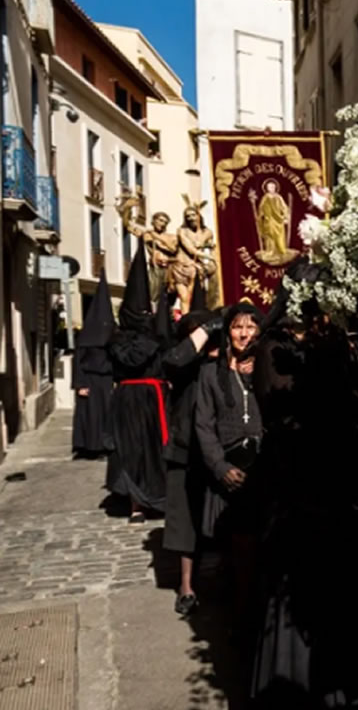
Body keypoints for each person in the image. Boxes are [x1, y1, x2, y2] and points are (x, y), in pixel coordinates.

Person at [250, 262, 358, 707]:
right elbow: (291, 414)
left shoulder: (331, 346)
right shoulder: (274, 349)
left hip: (338, 493)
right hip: (296, 493)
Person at [194, 301, 264, 625]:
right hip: (229, 469)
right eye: (238, 326)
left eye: (251, 326)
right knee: (235, 550)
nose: (244, 333)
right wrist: (220, 467)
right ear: (227, 333)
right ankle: (238, 614)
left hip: (265, 469)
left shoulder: (269, 368)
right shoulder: (210, 374)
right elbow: (204, 426)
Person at [161, 307, 224, 616]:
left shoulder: (226, 361)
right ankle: (186, 586)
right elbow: (173, 360)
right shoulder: (183, 364)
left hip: (220, 452)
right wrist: (208, 326)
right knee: (185, 522)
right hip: (185, 451)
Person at [105, 241, 170, 523]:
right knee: (132, 450)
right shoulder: (120, 339)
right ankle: (136, 503)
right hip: (131, 402)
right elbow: (131, 359)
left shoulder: (153, 333)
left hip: (154, 399)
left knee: (155, 450)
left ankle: (156, 498)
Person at [72, 269, 115, 458]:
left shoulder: (113, 336)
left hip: (107, 380)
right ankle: (88, 446)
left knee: (106, 415)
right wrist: (80, 384)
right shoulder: (86, 337)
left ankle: (104, 446)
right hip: (89, 380)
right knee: (90, 416)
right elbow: (78, 361)